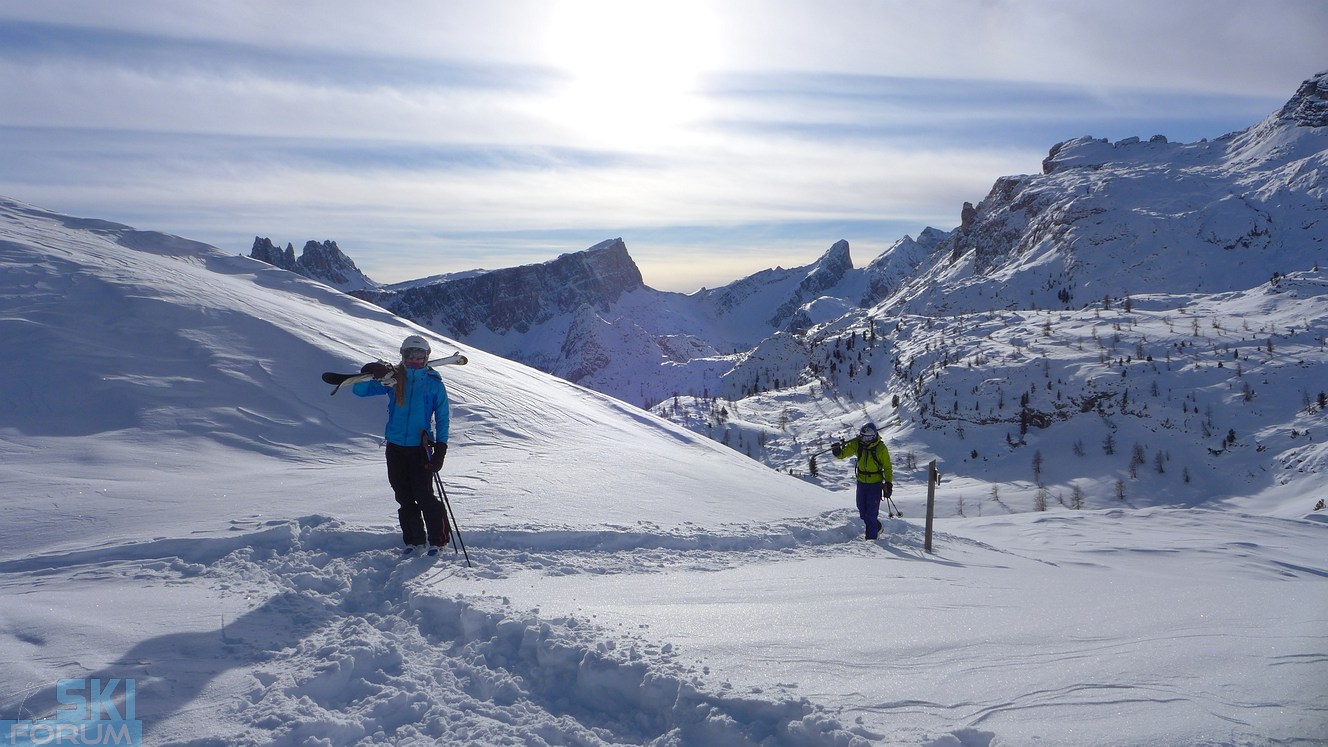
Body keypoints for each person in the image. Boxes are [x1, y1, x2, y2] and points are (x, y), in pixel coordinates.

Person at [354, 334, 451, 555]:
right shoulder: (394, 379)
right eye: (410, 356)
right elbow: (359, 391)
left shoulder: (434, 383)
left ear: (427, 357)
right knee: (404, 495)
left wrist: (441, 448)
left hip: (420, 448)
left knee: (424, 495)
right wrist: (369, 373)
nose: (415, 360)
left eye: (419, 356)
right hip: (396, 447)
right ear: (403, 356)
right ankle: (414, 541)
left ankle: (439, 540)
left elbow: (443, 417)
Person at [832, 423, 893, 540]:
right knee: (862, 510)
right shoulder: (858, 444)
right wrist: (838, 452)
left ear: (874, 437)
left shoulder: (880, 448)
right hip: (861, 483)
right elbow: (845, 453)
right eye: (863, 437)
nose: (865, 440)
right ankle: (877, 526)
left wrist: (888, 483)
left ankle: (871, 539)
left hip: (875, 484)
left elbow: (887, 467)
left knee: (871, 513)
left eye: (868, 438)